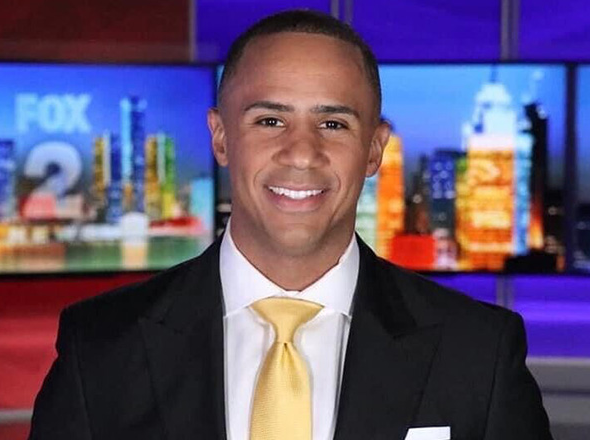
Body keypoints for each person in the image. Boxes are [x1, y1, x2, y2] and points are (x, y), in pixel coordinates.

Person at [29, 9, 553, 440]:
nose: (302, 153)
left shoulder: (479, 353)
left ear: (374, 149)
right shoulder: (99, 348)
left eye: (333, 123)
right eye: (270, 120)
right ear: (220, 137)